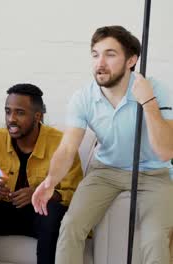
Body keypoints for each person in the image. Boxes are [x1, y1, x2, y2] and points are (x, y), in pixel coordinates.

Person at [32, 26, 173, 264]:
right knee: (71, 226)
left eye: (110, 54)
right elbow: (67, 148)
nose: (100, 63)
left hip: (153, 173)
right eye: (95, 54)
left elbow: (165, 151)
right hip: (105, 172)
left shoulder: (156, 90)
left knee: (155, 238)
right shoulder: (84, 97)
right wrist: (50, 181)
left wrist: (148, 101)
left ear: (131, 60)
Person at [0, 84, 83, 264]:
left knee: (54, 213)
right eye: (8, 112)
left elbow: (74, 194)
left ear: (37, 116)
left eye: (20, 113)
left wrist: (42, 194)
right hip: (5, 210)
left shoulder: (61, 144)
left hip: (40, 216)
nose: (11, 119)